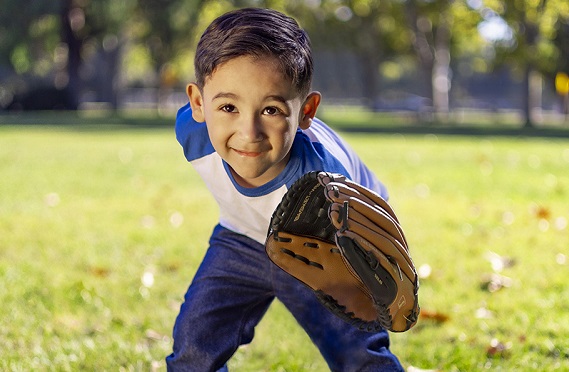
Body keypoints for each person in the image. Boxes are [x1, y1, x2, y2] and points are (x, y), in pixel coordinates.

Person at [166, 7, 404, 371]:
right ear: (198, 104)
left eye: (272, 110)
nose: (249, 132)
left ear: (306, 111)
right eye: (228, 107)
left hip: (325, 251)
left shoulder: (325, 186)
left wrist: (363, 270)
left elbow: (362, 228)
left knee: (358, 355)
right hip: (241, 240)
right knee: (194, 347)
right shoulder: (194, 133)